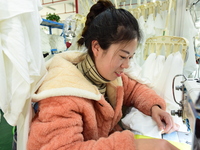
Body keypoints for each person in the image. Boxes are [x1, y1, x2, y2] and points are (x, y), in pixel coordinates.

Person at [27, 0, 180, 149]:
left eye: (130, 58)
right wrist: (133, 145)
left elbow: (134, 90)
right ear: (97, 48)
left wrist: (154, 107)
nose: (126, 65)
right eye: (122, 56)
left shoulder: (110, 79)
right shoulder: (61, 95)